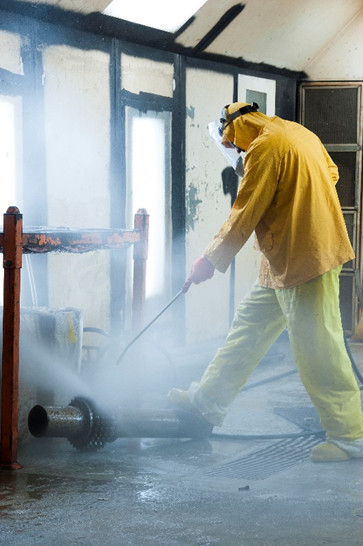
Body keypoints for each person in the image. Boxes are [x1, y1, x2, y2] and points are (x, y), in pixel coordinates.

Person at [168, 102, 363, 462]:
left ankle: (349, 434)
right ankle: (206, 403)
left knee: (319, 348)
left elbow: (245, 212)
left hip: (307, 258)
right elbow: (331, 174)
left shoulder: (263, 149)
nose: (238, 154)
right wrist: (296, 200)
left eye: (234, 148)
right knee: (247, 330)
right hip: (284, 257)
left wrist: (209, 260)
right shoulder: (297, 134)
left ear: (236, 134)